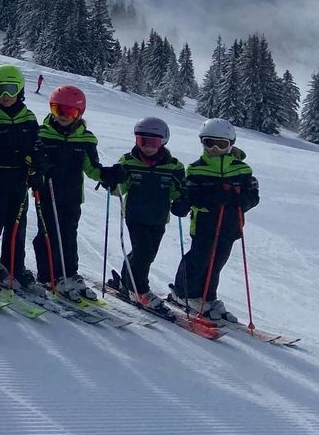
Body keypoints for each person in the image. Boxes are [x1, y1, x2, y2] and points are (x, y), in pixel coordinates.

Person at [169, 118, 259, 322]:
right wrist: (212, 199)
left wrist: (240, 200)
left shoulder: (242, 169)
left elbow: (253, 197)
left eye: (221, 144)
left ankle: (208, 297)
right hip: (204, 223)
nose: (215, 149)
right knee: (199, 259)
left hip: (230, 225)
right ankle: (184, 293)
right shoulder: (196, 169)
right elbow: (191, 196)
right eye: (209, 143)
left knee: (217, 262)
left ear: (231, 144)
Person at [98, 116, 186, 308]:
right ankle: (140, 289)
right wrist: (111, 181)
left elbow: (178, 190)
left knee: (147, 253)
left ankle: (126, 281)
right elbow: (119, 189)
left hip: (159, 217)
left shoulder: (174, 166)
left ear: (163, 141)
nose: (147, 146)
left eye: (153, 142)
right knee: (143, 252)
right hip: (135, 215)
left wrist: (182, 200)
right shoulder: (129, 161)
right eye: (142, 141)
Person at [29, 84, 101, 300]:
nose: (63, 116)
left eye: (70, 112)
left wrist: (108, 175)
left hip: (72, 195)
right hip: (46, 193)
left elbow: (92, 167)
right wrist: (38, 168)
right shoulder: (41, 133)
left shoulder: (86, 138)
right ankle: (49, 275)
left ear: (79, 114)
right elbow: (32, 159)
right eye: (58, 110)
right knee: (48, 232)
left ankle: (70, 273)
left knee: (69, 233)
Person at [0, 64, 39, 289]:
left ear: (19, 89)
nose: (5, 95)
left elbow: (37, 146)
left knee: (17, 223)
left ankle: (14, 264)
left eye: (11, 89)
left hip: (20, 178)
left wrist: (37, 165)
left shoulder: (28, 117)